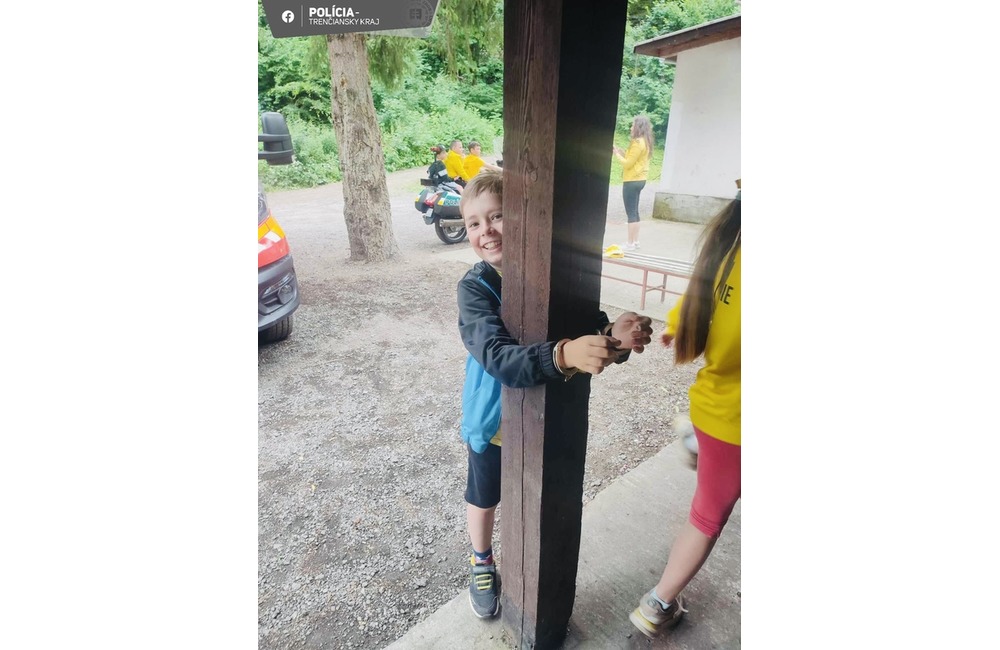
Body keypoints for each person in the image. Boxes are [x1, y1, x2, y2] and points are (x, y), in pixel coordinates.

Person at [457, 168, 654, 619]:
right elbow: (497, 357)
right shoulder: (475, 288)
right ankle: (481, 559)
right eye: (474, 223)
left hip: (548, 418)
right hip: (493, 419)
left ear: (524, 217)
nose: (486, 230)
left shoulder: (553, 272)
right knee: (484, 493)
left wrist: (615, 335)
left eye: (498, 216)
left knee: (545, 490)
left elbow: (588, 328)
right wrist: (564, 354)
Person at [628, 194, 741, 639]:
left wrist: (677, 322)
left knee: (714, 476)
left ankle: (696, 441)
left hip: (712, 404)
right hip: (737, 423)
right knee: (706, 518)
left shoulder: (731, 246)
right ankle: (658, 604)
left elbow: (702, 293)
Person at [612, 115, 654, 251]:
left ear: (638, 127)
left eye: (632, 125)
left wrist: (616, 155)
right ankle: (635, 241)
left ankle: (629, 243)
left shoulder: (637, 142)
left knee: (630, 212)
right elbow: (633, 159)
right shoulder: (646, 142)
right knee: (635, 211)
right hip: (640, 180)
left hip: (631, 180)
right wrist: (620, 152)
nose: (631, 128)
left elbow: (628, 164)